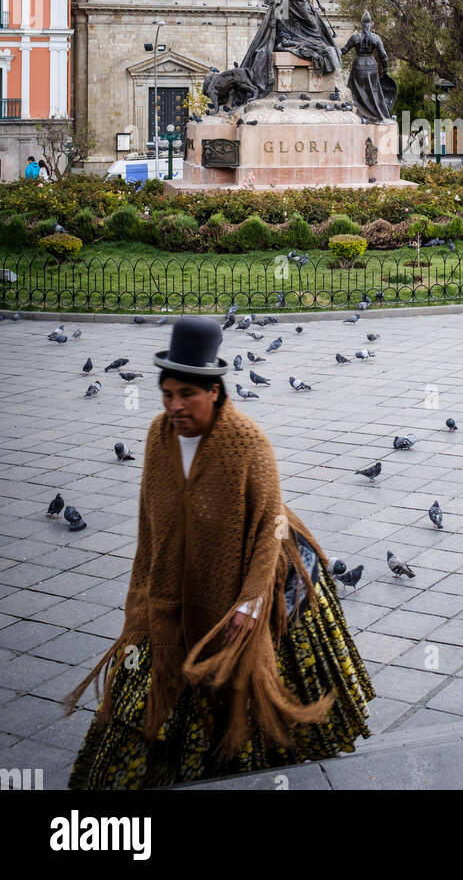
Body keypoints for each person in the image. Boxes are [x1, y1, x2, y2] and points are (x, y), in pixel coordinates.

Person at [66, 317, 374, 789]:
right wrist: (140, 603)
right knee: (152, 694)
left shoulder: (249, 444)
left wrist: (251, 603)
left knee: (246, 700)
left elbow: (272, 527)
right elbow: (150, 524)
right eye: (167, 394)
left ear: (214, 391)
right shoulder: (157, 436)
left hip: (257, 573)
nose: (175, 405)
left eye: (187, 394)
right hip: (177, 585)